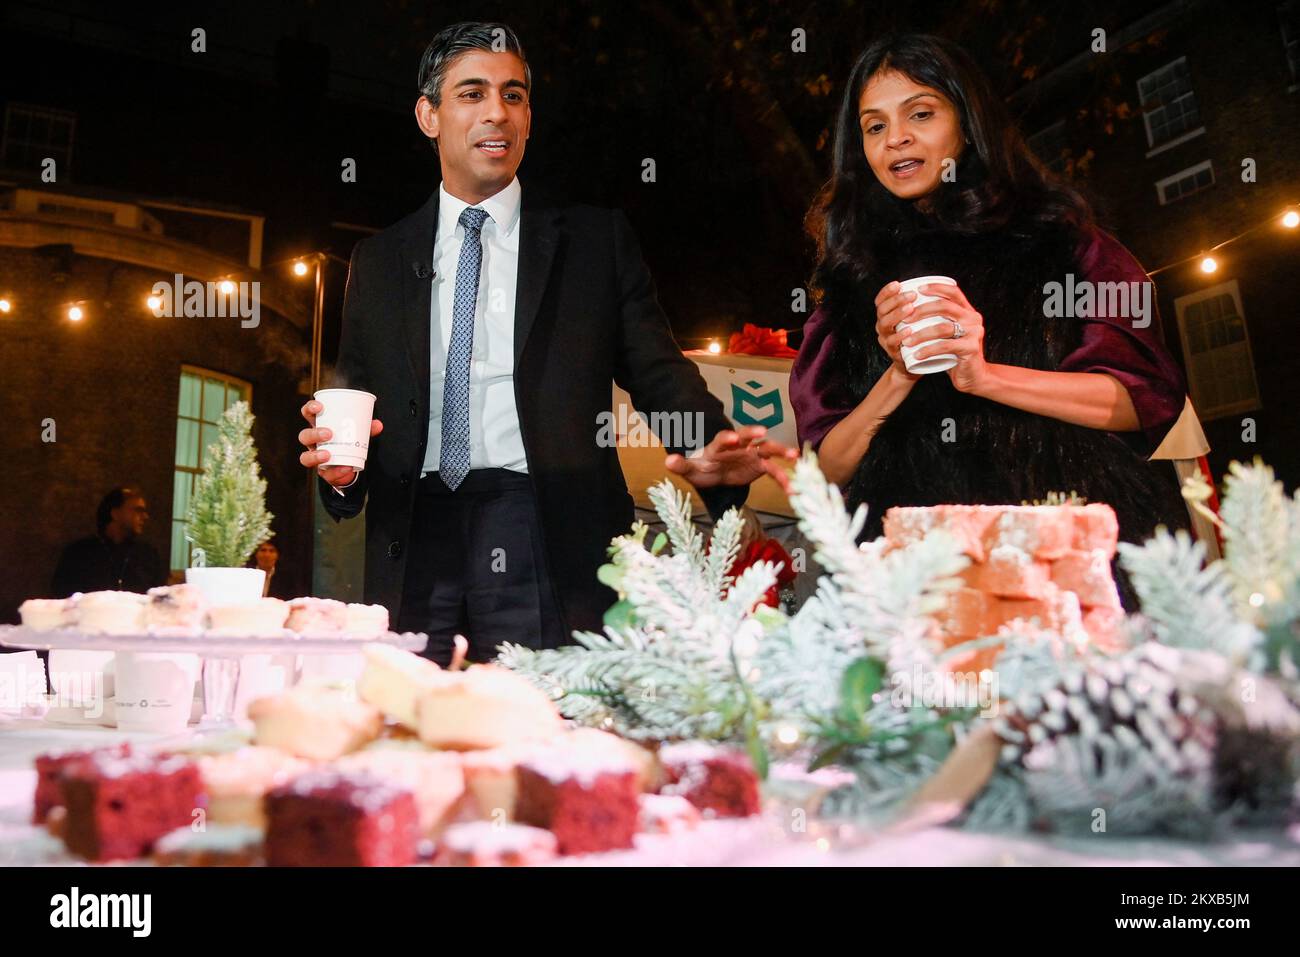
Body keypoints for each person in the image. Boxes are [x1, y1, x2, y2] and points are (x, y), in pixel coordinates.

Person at [298, 22, 793, 665]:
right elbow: (357, 403)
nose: (496, 112)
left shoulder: (593, 243)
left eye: (514, 95)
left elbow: (657, 369)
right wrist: (342, 475)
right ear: (428, 115)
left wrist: (710, 450)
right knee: (420, 732)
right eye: (472, 94)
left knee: (552, 733)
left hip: (546, 528)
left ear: (529, 117)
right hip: (415, 535)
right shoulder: (378, 260)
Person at [789, 34, 1188, 605]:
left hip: (1062, 555)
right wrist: (897, 375)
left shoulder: (1066, 244)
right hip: (912, 580)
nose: (896, 138)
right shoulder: (849, 282)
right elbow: (823, 471)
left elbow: (1138, 401)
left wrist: (982, 376)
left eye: (920, 113)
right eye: (873, 127)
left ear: (967, 121)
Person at [51, 487, 166, 597]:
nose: (145, 516)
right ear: (115, 513)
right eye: (138, 510)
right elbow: (62, 596)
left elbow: (159, 598)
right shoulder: (79, 553)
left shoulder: (148, 554)